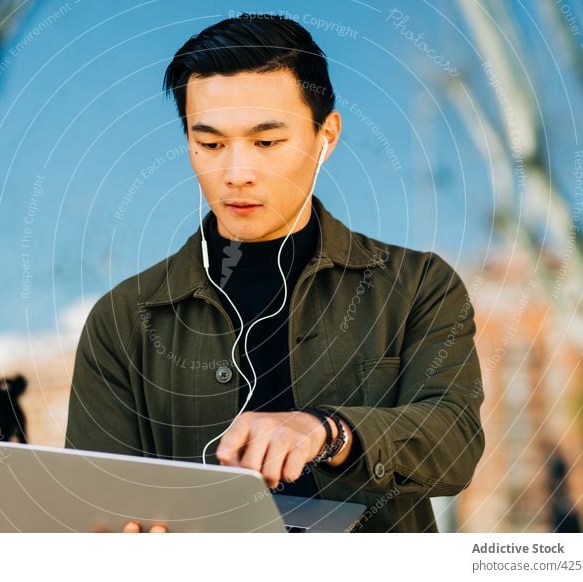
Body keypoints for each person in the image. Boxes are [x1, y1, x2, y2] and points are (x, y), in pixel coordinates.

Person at [66, 13, 484, 533]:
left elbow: (455, 441)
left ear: (324, 137)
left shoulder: (418, 285)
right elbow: (98, 505)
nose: (236, 173)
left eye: (266, 142)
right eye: (211, 144)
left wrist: (329, 431)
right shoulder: (123, 320)